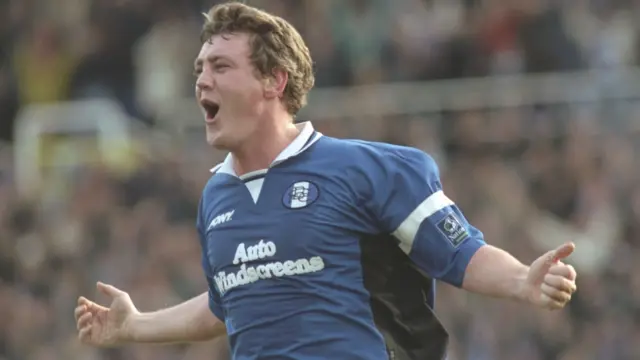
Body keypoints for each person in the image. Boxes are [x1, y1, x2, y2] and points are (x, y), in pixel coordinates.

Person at [74, 2, 578, 360]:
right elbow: (226, 303)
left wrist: (520, 280)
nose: (202, 80)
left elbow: (461, 252)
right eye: (200, 68)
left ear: (275, 81)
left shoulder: (369, 169)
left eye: (221, 66)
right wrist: (136, 325)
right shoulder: (215, 197)